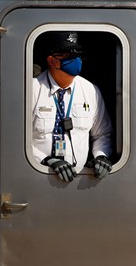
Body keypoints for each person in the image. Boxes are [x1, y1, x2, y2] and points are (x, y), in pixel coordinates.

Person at [31, 32, 113, 182]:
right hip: (38, 176)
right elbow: (15, 139)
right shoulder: (32, 89)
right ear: (52, 61)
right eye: (68, 55)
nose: (76, 59)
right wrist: (46, 160)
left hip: (77, 181)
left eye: (78, 54)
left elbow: (102, 134)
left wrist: (101, 155)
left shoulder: (90, 90)